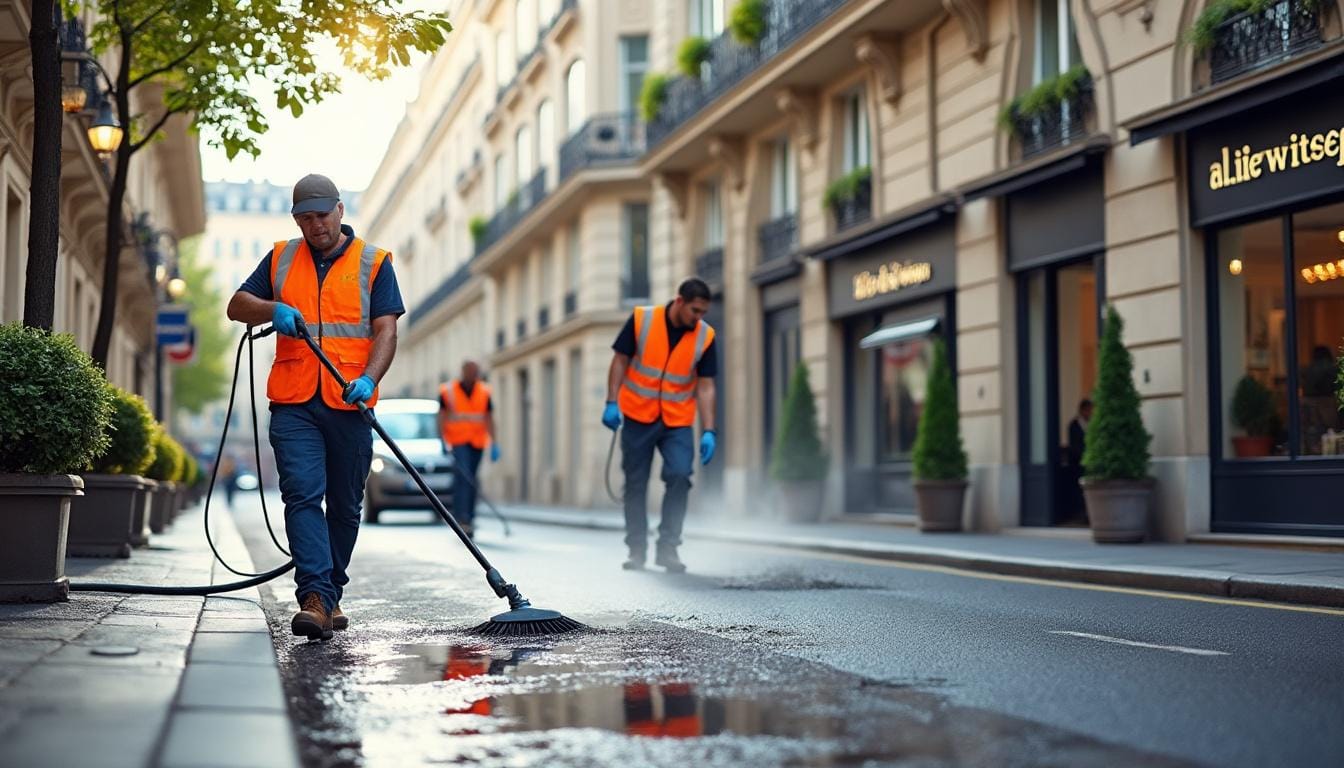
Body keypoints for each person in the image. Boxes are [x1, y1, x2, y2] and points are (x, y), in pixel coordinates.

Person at [226, 173, 404, 641]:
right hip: (295, 402)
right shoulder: (282, 258)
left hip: (349, 400)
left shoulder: (374, 262)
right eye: (305, 218)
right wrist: (272, 310)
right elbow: (237, 305)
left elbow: (386, 330)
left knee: (345, 506)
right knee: (302, 495)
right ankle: (314, 599)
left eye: (322, 215)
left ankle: (329, 593)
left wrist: (370, 378)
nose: (315, 225)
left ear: (340, 210)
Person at [603, 277, 718, 573]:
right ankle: (636, 549)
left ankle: (668, 548)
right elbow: (620, 360)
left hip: (677, 420)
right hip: (637, 416)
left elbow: (706, 386)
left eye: (703, 312)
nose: (698, 317)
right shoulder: (643, 320)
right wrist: (611, 401)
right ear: (679, 301)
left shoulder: (705, 336)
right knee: (636, 483)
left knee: (680, 475)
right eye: (695, 310)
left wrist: (709, 430)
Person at [438, 361, 499, 537]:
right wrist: (442, 439)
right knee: (464, 479)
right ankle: (462, 518)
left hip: (477, 442)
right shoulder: (448, 391)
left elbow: (489, 418)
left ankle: (469, 517)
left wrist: (494, 442)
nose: (473, 375)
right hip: (458, 441)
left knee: (472, 479)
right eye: (470, 372)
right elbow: (441, 416)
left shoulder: (484, 391)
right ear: (463, 372)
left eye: (475, 372)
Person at [1065, 398, 1093, 523]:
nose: (1090, 413)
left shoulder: (1091, 424)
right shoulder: (1073, 425)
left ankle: (1088, 514)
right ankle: (1080, 515)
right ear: (1082, 410)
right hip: (1077, 463)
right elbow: (1074, 446)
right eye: (1088, 410)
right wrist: (1084, 457)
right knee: (1078, 490)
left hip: (1089, 463)